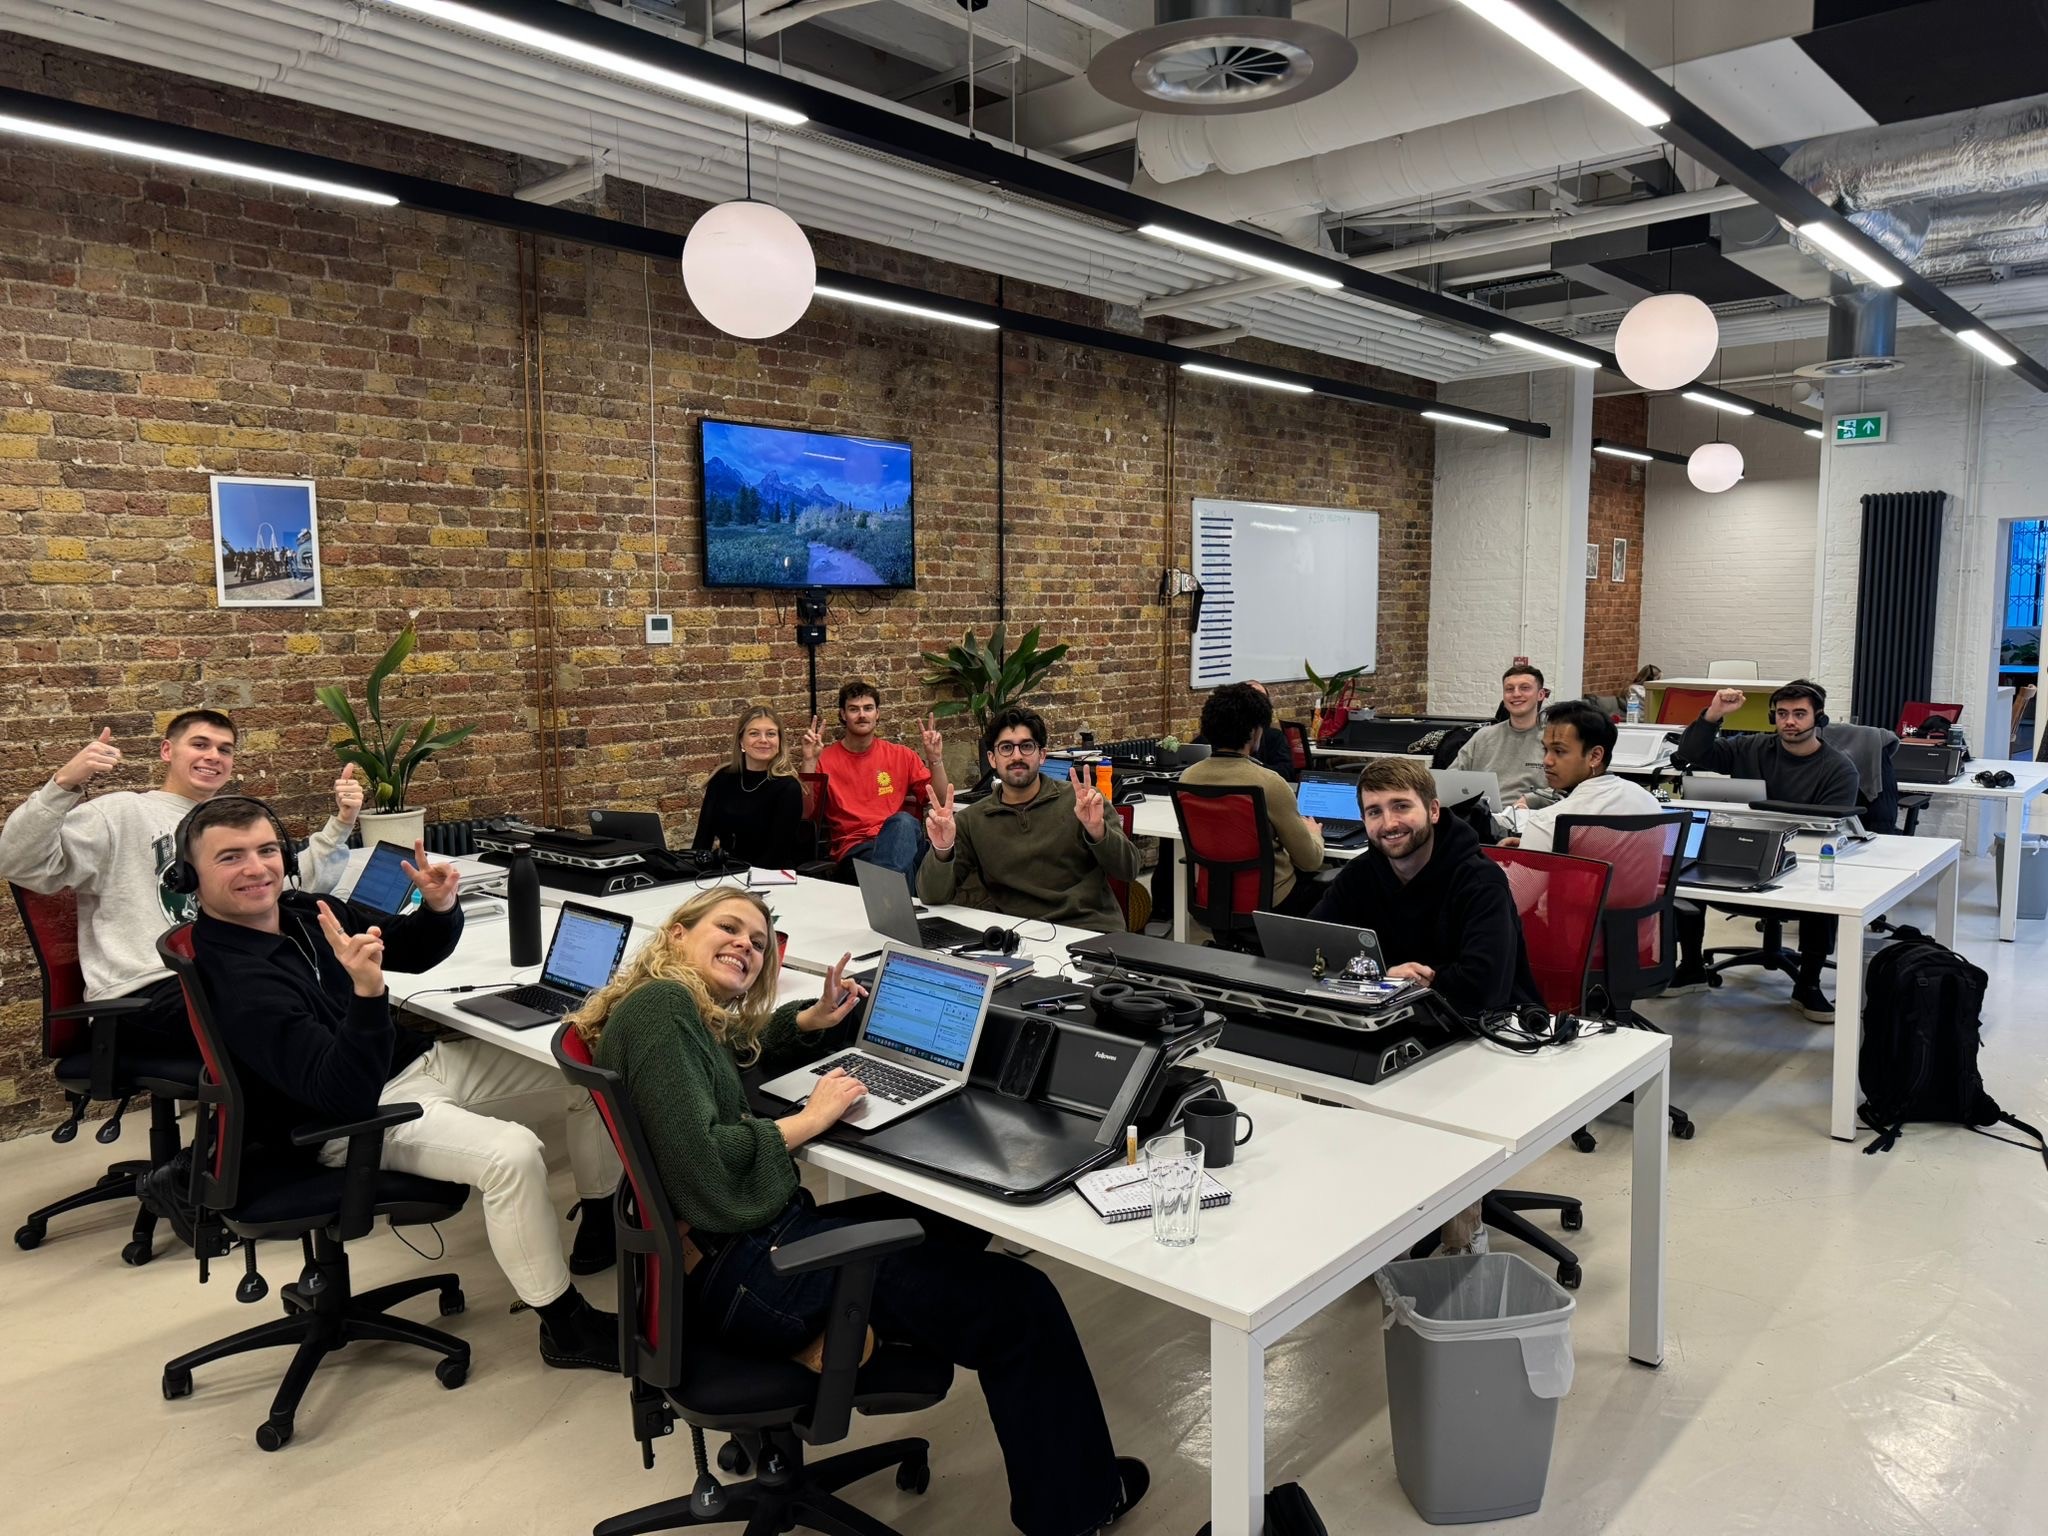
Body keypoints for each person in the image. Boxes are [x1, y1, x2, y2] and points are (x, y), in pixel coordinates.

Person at [576, 888, 1150, 1536]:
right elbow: (703, 1166)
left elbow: (733, 1051)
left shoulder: (664, 1007)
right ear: (677, 934)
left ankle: (914, 1316)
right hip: (752, 1270)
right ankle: (1075, 1515)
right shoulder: (664, 1009)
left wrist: (810, 1022)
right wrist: (809, 1120)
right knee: (1022, 1302)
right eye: (729, 928)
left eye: (759, 943)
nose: (746, 945)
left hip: (715, 1263)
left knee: (955, 1219)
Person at [184, 795, 623, 1370]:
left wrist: (439, 909)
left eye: (267, 850)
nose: (256, 868)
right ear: (190, 877)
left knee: (587, 1070)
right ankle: (565, 1328)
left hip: (407, 1066)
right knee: (510, 1155)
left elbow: (408, 952)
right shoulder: (239, 980)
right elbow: (339, 1091)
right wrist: (368, 995)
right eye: (230, 858)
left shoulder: (302, 912)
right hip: (346, 1118)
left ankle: (597, 1222)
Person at [0, 712, 360, 1057]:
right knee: (280, 1008)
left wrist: (342, 823)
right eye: (200, 745)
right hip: (146, 992)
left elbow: (288, 888)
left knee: (325, 982)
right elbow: (18, 863)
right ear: (167, 751)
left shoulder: (224, 826)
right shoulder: (121, 813)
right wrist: (62, 785)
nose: (213, 757)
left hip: (225, 975)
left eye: (225, 749)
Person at [1670, 681, 1858, 1019]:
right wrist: (1713, 715)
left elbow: (1831, 829)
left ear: (1820, 718)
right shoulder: (1751, 747)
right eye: (1783, 714)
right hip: (1742, 851)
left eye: (1800, 714)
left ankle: (1808, 984)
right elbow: (1691, 755)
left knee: (1827, 887)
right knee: (1685, 867)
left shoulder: (1838, 768)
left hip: (1802, 861)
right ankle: (1691, 967)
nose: (1790, 722)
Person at [1309, 757, 1541, 1017]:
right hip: (1394, 1017)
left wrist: (1388, 982)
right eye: (1375, 812)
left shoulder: (1481, 882)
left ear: (1433, 811)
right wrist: (1383, 979)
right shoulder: (1359, 874)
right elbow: (1311, 948)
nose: (1389, 823)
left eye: (1401, 806)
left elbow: (1484, 989)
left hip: (1484, 1028)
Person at [918, 706, 1140, 934]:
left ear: (1042, 755)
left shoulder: (1082, 801)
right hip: (1018, 936)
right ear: (992, 759)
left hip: (1089, 931)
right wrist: (942, 849)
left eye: (1026, 746)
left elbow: (1128, 870)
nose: (1016, 756)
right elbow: (932, 895)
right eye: (1006, 748)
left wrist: (1098, 831)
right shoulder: (972, 820)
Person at [1177, 682, 1325, 927]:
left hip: (1213, 897)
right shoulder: (1269, 782)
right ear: (1257, 731)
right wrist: (1314, 835)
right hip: (1273, 900)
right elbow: (1309, 860)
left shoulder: (1188, 778)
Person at [799, 680, 950, 885]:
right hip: (856, 851)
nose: (862, 715)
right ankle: (894, 900)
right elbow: (806, 814)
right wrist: (809, 760)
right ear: (843, 714)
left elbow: (940, 799)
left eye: (868, 708)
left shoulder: (901, 755)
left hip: (901, 839)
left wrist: (935, 758)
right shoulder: (824, 759)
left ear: (877, 713)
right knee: (909, 868)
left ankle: (885, 895)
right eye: (854, 709)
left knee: (903, 822)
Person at [1509, 701, 1663, 853]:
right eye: (1545, 749)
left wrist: (1512, 858)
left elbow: (1524, 878)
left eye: (1559, 751)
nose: (1547, 761)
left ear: (1595, 756)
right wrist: (1534, 844)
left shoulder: (1548, 822)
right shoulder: (1649, 802)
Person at [694, 706, 810, 869]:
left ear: (779, 741)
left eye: (770, 734)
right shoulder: (722, 778)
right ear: (741, 741)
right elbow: (702, 840)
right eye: (754, 733)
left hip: (768, 877)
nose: (763, 740)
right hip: (725, 873)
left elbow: (776, 853)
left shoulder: (788, 788)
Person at [1450, 663, 1558, 808]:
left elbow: (1566, 788)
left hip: (1531, 819)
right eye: (1509, 689)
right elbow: (1451, 778)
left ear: (1540, 695)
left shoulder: (1554, 738)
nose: (1516, 694)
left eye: (1524, 688)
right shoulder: (1484, 736)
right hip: (1481, 818)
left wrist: (1530, 800)